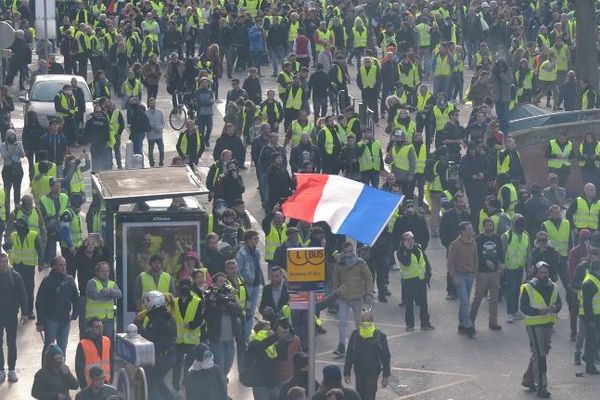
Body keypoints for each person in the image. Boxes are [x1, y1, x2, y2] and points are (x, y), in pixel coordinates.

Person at [520, 261, 562, 399]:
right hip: (534, 325)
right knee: (540, 356)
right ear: (536, 273)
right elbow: (524, 307)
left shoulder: (554, 286)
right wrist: (538, 311)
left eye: (546, 272)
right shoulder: (528, 287)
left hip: (548, 324)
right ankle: (541, 386)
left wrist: (556, 307)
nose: (544, 275)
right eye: (541, 272)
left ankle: (528, 379)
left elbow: (559, 302)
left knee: (539, 354)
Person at [331, 242, 374, 357]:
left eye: (351, 251)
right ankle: (341, 346)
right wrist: (335, 295)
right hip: (343, 298)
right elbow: (335, 281)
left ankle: (362, 345)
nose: (349, 254)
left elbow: (369, 278)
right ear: (343, 253)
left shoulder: (360, 263)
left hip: (357, 297)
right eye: (347, 252)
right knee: (342, 322)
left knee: (359, 323)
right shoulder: (339, 265)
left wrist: (369, 293)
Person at [36, 256, 79, 358]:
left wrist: (74, 314)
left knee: (62, 347)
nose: (63, 267)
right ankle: (46, 371)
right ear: (54, 266)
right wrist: (40, 322)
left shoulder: (70, 280)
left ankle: (61, 371)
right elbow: (40, 302)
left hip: (65, 318)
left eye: (64, 265)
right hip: (51, 319)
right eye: (60, 265)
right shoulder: (47, 281)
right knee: (49, 347)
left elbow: (76, 298)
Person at [137, 291, 177, 400]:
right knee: (156, 381)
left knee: (153, 382)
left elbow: (150, 338)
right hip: (169, 355)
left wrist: (139, 326)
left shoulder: (156, 319)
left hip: (162, 357)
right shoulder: (167, 316)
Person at [205, 272, 243, 381]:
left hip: (230, 338)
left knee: (228, 364)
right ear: (215, 284)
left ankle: (221, 380)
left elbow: (239, 312)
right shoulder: (210, 296)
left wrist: (228, 301)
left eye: (224, 281)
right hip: (217, 339)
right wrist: (215, 299)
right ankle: (222, 391)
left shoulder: (230, 296)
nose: (223, 284)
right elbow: (208, 315)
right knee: (219, 366)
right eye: (220, 281)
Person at [343, 311, 390, 400]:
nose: (366, 324)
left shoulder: (379, 336)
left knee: (369, 395)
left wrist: (385, 376)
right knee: (360, 395)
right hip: (359, 370)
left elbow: (386, 356)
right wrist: (347, 372)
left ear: (372, 321)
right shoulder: (356, 334)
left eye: (368, 321)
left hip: (373, 371)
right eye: (364, 321)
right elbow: (349, 354)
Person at [394, 231, 434, 330]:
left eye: (411, 239)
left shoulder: (418, 247)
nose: (410, 241)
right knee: (409, 303)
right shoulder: (401, 252)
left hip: (421, 278)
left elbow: (425, 261)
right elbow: (406, 262)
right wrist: (408, 250)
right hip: (409, 280)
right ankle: (409, 324)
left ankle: (425, 323)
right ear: (403, 242)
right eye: (407, 240)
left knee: (423, 302)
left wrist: (428, 273)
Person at [471, 218, 505, 331]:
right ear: (483, 226)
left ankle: (493, 322)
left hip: (495, 273)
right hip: (482, 273)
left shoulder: (497, 238)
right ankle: (470, 321)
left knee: (494, 299)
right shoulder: (479, 239)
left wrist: (501, 266)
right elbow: (475, 255)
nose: (489, 227)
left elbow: (501, 252)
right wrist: (484, 261)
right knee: (478, 298)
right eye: (487, 225)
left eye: (491, 225)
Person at [447, 221, 478, 338]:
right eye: (469, 229)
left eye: (471, 228)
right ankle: (468, 325)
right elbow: (450, 263)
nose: (471, 231)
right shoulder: (455, 244)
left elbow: (476, 260)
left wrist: (474, 273)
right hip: (459, 276)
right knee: (465, 301)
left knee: (464, 302)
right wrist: (454, 277)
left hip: (469, 276)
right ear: (463, 231)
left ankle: (461, 324)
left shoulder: (473, 243)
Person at [171, 278, 203, 392]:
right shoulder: (174, 302)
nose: (184, 288)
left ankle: (187, 384)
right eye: (182, 286)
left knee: (189, 366)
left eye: (187, 286)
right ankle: (175, 386)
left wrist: (191, 325)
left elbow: (200, 319)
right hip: (178, 340)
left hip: (192, 340)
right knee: (176, 364)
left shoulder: (197, 301)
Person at [7, 217, 42, 320]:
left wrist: (40, 263)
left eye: (21, 224)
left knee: (28, 289)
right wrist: (7, 243)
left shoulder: (33, 235)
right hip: (17, 265)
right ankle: (18, 309)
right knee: (16, 289)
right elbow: (6, 247)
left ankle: (28, 311)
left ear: (26, 224)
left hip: (28, 266)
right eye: (18, 224)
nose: (20, 226)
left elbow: (40, 249)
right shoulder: (13, 235)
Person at [246, 319, 290, 400]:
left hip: (274, 383)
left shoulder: (272, 345)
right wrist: (275, 336)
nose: (270, 331)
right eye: (267, 330)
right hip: (260, 385)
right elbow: (261, 346)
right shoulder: (253, 343)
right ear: (259, 331)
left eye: (270, 329)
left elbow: (283, 356)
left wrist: (283, 339)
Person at [0, 252, 27, 383]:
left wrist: (25, 312)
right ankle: (0, 370)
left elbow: (23, 294)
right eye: (1, 262)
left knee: (11, 342)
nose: (4, 264)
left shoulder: (15, 276)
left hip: (11, 314)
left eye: (5, 262)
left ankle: (11, 369)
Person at [502, 214, 530, 323]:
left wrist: (529, 267)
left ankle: (515, 311)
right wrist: (502, 266)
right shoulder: (507, 236)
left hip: (520, 267)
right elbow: (503, 251)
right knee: (511, 289)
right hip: (510, 267)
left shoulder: (525, 235)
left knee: (517, 289)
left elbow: (528, 252)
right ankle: (510, 312)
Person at [236, 230, 264, 337]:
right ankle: (243, 335)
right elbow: (238, 272)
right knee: (245, 312)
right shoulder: (241, 254)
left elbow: (258, 267)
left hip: (256, 285)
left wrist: (262, 281)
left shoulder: (257, 251)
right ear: (248, 240)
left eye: (257, 238)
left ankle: (247, 335)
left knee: (251, 312)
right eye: (255, 238)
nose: (257, 240)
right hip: (247, 286)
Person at [85, 262, 121, 339]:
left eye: (107, 271)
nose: (105, 273)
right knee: (94, 343)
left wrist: (109, 291)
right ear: (97, 272)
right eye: (102, 271)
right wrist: (111, 296)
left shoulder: (112, 283)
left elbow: (119, 294)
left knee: (106, 343)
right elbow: (97, 297)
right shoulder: (92, 282)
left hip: (108, 320)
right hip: (94, 320)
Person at [75, 318, 112, 388]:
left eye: (101, 326)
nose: (100, 329)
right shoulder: (83, 344)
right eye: (97, 327)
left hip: (105, 382)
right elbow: (79, 367)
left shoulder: (107, 341)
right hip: (89, 384)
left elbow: (111, 361)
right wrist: (83, 385)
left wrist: (111, 379)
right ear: (90, 328)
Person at [580, 260, 600, 375]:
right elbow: (587, 304)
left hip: (597, 315)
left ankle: (588, 356)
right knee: (591, 340)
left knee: (594, 340)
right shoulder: (589, 283)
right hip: (592, 317)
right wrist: (591, 320)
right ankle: (589, 365)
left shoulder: (595, 279)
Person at [0, 130, 26, 216]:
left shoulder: (19, 143)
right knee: (7, 191)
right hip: (7, 169)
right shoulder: (3, 145)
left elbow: (22, 155)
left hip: (18, 169)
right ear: (7, 136)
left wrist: (18, 148)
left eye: (13, 135)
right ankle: (7, 213)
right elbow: (4, 157)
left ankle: (17, 211)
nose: (12, 137)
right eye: (10, 136)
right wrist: (11, 149)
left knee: (17, 190)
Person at [146, 97, 166, 167]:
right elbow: (145, 124)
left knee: (161, 150)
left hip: (159, 134)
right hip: (151, 135)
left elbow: (163, 122)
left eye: (154, 103)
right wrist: (149, 128)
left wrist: (160, 128)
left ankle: (161, 162)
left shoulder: (159, 112)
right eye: (151, 103)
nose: (153, 104)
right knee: (150, 151)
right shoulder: (146, 113)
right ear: (149, 104)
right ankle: (152, 163)